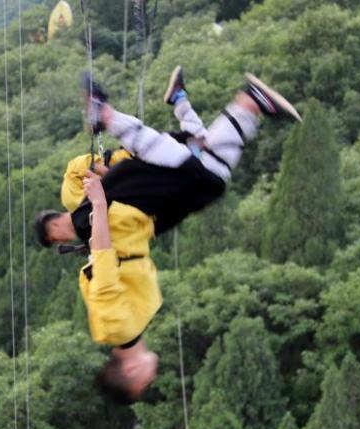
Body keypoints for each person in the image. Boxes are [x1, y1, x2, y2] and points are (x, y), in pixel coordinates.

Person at [37, 67, 300, 400]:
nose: (153, 376)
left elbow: (102, 263)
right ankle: (238, 104)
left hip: (126, 215)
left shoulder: (118, 328)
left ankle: (108, 115)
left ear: (131, 371)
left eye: (145, 382)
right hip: (137, 225)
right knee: (207, 179)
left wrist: (101, 202)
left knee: (194, 170)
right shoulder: (123, 330)